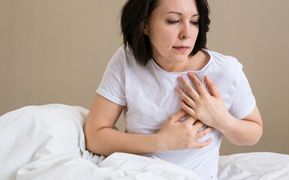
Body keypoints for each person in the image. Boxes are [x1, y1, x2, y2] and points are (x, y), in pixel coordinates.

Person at [84, 0, 263, 179]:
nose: (186, 33)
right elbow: (94, 136)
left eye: (194, 21)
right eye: (173, 21)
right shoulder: (127, 60)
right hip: (135, 174)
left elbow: (254, 133)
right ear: (145, 25)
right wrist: (160, 142)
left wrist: (222, 120)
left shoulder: (224, 70)